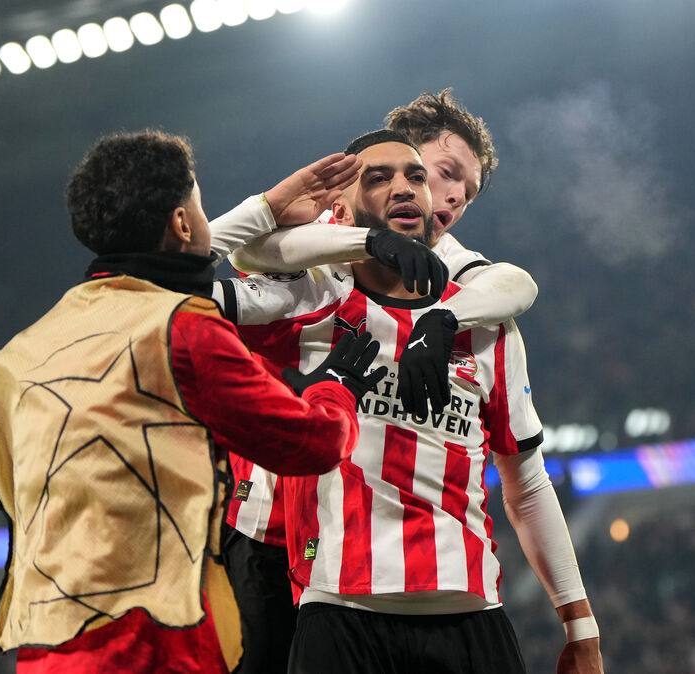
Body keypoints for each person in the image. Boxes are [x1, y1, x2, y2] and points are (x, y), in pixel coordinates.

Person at [0, 129, 390, 673]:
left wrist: (266, 208)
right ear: (180, 222)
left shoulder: (15, 357)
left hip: (47, 644)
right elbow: (312, 444)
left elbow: (9, 493)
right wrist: (334, 387)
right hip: (155, 643)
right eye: (197, 205)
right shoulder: (182, 331)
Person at [223, 91, 598, 673]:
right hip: (267, 533)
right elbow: (233, 257)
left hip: (407, 582)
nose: (449, 196)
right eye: (443, 173)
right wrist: (355, 236)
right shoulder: (320, 263)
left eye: (464, 192)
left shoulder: (456, 276)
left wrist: (438, 319)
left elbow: (516, 284)